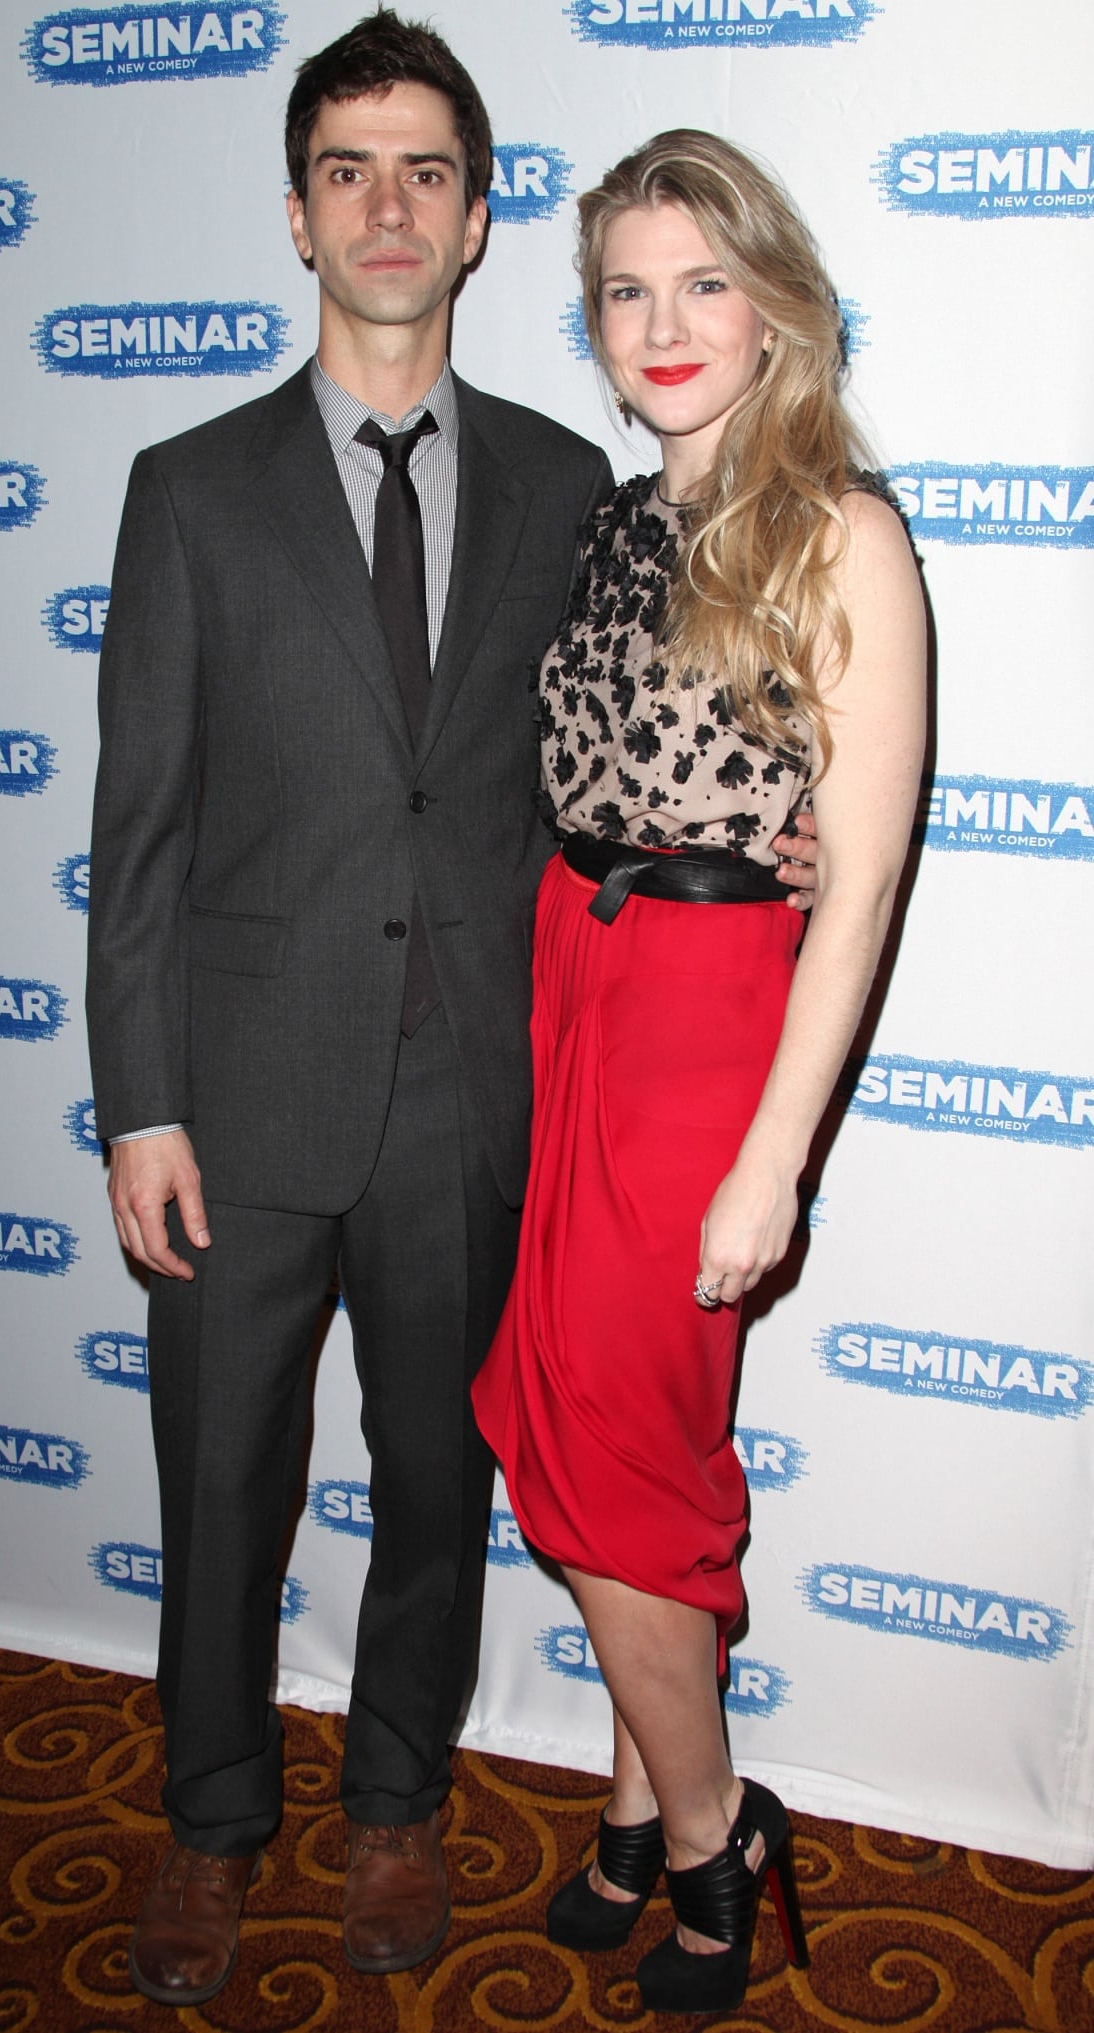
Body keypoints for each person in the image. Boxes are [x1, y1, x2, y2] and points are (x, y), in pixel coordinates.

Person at [86, 15, 818, 2006]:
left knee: (438, 1482)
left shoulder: (578, 482)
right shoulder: (189, 490)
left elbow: (640, 747)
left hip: (486, 1096)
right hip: (237, 1100)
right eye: (349, 170)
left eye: (428, 171)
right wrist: (137, 1100)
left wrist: (799, 824)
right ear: (301, 213)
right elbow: (134, 832)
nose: (389, 205)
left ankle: (399, 1796)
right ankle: (214, 1817)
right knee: (220, 1494)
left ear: (482, 218)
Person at [472, 129, 926, 2018]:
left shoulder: (843, 531)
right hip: (571, 977)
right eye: (623, 291)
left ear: (775, 303)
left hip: (705, 1020)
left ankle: (718, 1819)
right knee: (562, 1417)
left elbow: (865, 871)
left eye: (701, 283)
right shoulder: (608, 513)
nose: (661, 325)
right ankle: (644, 1794)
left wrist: (776, 1159)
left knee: (611, 1439)